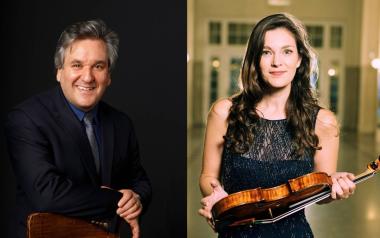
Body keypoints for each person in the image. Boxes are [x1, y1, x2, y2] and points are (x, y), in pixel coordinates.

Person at [198, 13, 356, 237]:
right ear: (255, 59)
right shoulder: (224, 112)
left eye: (287, 51)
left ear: (299, 59)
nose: (277, 62)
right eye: (266, 52)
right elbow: (207, 176)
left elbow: (321, 193)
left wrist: (336, 189)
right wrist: (219, 198)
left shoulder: (323, 122)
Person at [5, 19, 151, 238]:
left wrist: (136, 199)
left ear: (108, 75)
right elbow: (47, 193)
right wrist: (118, 201)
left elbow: (140, 181)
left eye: (98, 66)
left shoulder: (121, 123)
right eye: (77, 65)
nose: (88, 76)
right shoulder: (27, 119)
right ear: (59, 71)